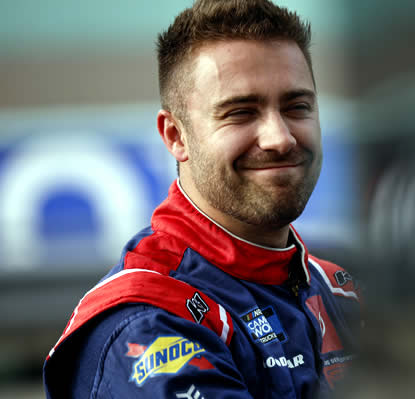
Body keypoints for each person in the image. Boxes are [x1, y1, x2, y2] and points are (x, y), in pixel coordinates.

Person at [42, 1, 360, 397]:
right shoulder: (148, 323)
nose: (280, 139)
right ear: (175, 136)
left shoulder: (338, 289)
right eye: (240, 113)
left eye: (297, 107)